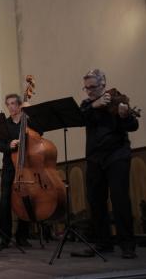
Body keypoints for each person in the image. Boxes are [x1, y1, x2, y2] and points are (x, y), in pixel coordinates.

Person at [73, 69, 138, 259]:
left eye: (92, 87)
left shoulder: (117, 100)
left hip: (117, 155)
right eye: (86, 88)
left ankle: (127, 245)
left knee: (120, 200)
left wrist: (125, 116)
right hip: (94, 158)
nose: (89, 91)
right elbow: (78, 118)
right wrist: (95, 105)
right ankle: (103, 243)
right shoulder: (87, 105)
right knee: (96, 201)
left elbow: (133, 125)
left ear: (103, 84)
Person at [0, 94, 32, 249]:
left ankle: (22, 237)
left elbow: (39, 136)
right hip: (9, 167)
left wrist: (31, 113)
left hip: (27, 166)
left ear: (19, 105)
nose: (10, 107)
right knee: (5, 203)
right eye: (8, 104)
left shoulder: (27, 121)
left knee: (26, 201)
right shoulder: (4, 124)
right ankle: (5, 237)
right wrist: (8, 146)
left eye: (13, 104)